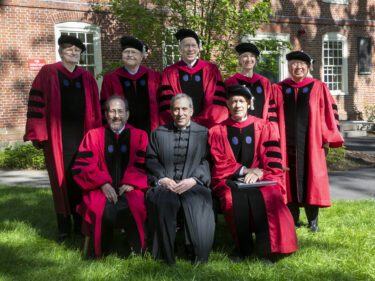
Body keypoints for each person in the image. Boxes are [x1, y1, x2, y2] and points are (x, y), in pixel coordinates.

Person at [24, 35, 101, 241]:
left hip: (83, 136)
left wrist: (96, 137)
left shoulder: (87, 77)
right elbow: (36, 104)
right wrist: (38, 134)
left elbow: (95, 110)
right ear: (61, 52)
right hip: (56, 138)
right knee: (60, 180)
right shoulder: (48, 72)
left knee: (82, 178)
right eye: (69, 50)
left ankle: (80, 223)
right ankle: (64, 227)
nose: (74, 53)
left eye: (77, 51)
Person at [208, 84, 297, 260]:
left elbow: (272, 158)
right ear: (227, 104)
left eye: (241, 101)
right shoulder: (217, 131)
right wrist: (245, 170)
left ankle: (269, 250)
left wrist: (260, 173)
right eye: (233, 101)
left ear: (248, 103)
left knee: (270, 195)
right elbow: (219, 161)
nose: (237, 105)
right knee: (231, 198)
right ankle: (243, 248)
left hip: (262, 176)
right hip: (230, 178)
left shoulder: (265, 127)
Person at [271, 51, 344, 232]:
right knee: (287, 179)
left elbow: (329, 115)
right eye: (294, 64)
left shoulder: (319, 87)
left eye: (302, 64)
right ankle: (292, 219)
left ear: (308, 67)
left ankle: (313, 221)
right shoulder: (278, 88)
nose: (298, 67)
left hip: (311, 145)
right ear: (288, 67)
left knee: (313, 179)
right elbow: (270, 117)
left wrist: (327, 141)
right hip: (285, 145)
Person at [72, 95, 148, 258]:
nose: (116, 115)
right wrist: (103, 184)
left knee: (135, 205)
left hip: (129, 187)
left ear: (127, 114)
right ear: (105, 114)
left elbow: (144, 164)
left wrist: (132, 183)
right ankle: (101, 253)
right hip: (99, 188)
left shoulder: (140, 136)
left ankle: (137, 251)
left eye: (120, 111)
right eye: (112, 111)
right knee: (100, 208)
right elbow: (82, 167)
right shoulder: (93, 136)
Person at [146, 93, 215, 265]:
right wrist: (163, 179)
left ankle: (197, 253)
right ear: (170, 111)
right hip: (166, 184)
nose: (180, 113)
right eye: (176, 109)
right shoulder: (158, 133)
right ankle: (165, 255)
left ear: (191, 111)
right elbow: (151, 159)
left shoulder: (203, 133)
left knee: (197, 201)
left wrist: (194, 179)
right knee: (164, 201)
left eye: (184, 109)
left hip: (193, 183)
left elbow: (207, 160)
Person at [158, 28, 228, 128]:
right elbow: (167, 102)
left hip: (206, 126)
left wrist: (201, 121)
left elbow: (217, 103)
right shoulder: (170, 72)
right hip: (179, 125)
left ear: (198, 48)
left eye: (194, 45)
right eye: (186, 46)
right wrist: (182, 120)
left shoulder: (211, 69)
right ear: (180, 49)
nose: (190, 49)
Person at [100, 36, 161, 133]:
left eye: (134, 52)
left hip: (151, 132)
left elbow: (161, 104)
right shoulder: (111, 79)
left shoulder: (154, 77)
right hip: (121, 133)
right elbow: (105, 107)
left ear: (141, 56)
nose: (130, 55)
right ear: (122, 55)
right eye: (126, 52)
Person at [225, 42, 274, 120]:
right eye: (245, 56)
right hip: (238, 127)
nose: (249, 59)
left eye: (252, 56)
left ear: (255, 60)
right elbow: (227, 108)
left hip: (261, 127)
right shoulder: (231, 82)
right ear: (239, 59)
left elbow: (270, 108)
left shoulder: (264, 82)